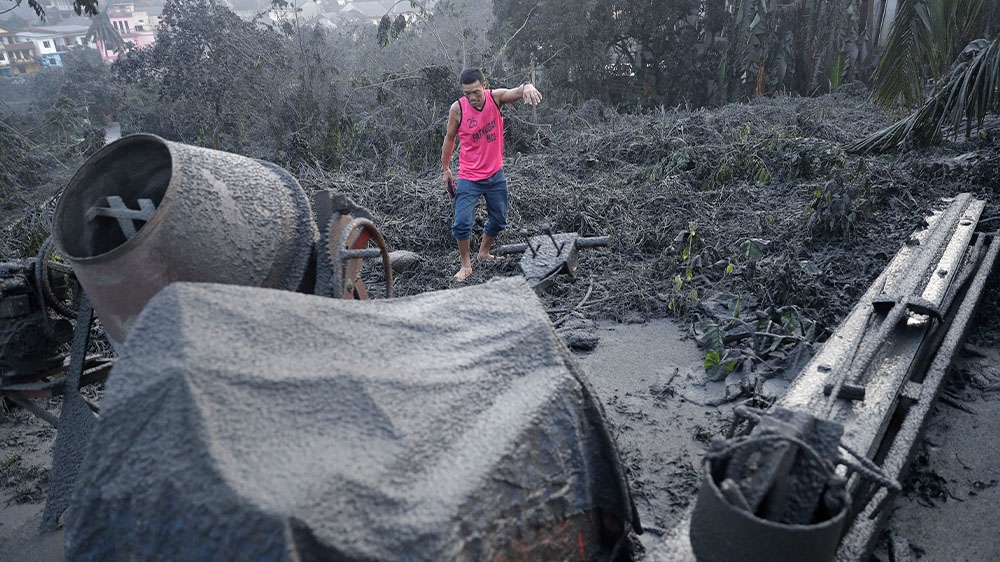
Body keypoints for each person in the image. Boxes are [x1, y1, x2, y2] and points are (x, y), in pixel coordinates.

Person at [441, 68, 542, 281]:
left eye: (476, 92)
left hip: (496, 175)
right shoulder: (457, 109)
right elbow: (450, 138)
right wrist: (446, 169)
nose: (472, 98)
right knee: (461, 223)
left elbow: (516, 91)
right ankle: (466, 265)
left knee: (498, 220)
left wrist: (528, 86)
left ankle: (483, 253)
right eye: (467, 93)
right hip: (469, 176)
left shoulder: (495, 98)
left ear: (484, 86)